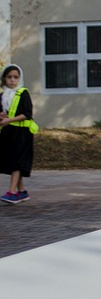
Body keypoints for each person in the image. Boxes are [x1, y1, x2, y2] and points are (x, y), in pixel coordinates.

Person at [0, 65, 39, 204]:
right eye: (9, 77)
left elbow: (27, 114)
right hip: (8, 132)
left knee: (17, 162)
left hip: (22, 132)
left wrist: (10, 119)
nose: (12, 80)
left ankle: (12, 191)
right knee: (13, 161)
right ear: (4, 79)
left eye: (15, 77)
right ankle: (22, 191)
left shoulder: (23, 93)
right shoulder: (3, 94)